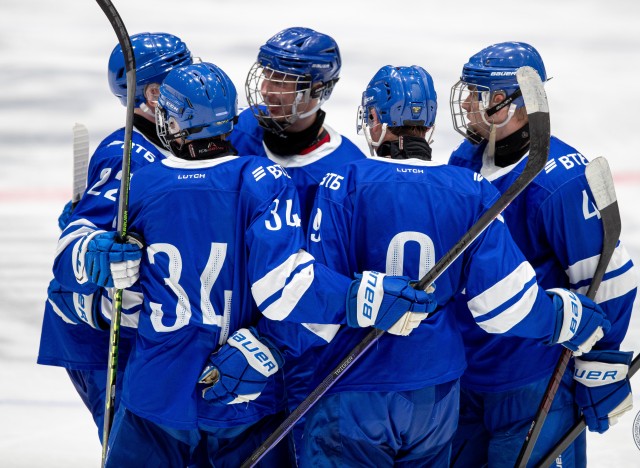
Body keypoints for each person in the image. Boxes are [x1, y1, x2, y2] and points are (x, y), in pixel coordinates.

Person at [83, 62, 434, 467]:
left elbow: (120, 303)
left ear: (174, 121)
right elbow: (285, 287)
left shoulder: (142, 183)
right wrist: (360, 297)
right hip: (243, 394)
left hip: (155, 388)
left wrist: (90, 246)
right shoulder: (263, 178)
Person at [299, 64, 611, 467]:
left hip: (358, 384)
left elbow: (313, 306)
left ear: (376, 119)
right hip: (437, 394)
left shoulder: (343, 181)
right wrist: (559, 317)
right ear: (427, 124)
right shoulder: (470, 187)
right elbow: (503, 304)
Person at [448, 41, 638, 467]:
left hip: (534, 378)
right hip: (466, 373)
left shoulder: (562, 181)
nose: (464, 102)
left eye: (476, 93)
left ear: (508, 103)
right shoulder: (467, 160)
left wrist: (602, 359)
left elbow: (608, 278)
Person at [37, 32, 193, 439]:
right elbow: (74, 247)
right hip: (101, 337)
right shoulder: (128, 153)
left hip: (135, 329)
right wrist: (93, 250)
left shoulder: (179, 142)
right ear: (154, 94)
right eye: (182, 76)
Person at [230, 26, 367, 460]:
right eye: (267, 74)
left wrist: (272, 345)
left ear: (318, 90)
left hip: (302, 359)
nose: (267, 89)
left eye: (284, 81)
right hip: (222, 340)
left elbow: (338, 279)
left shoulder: (349, 170)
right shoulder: (237, 133)